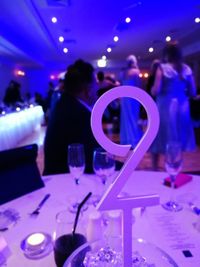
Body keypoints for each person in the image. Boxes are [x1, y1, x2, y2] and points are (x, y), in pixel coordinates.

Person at [43, 59, 99, 175]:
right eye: (95, 83)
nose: (97, 88)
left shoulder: (65, 104)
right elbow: (92, 161)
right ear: (87, 89)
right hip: (65, 183)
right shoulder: (79, 114)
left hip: (58, 177)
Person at [150, 42, 197, 170]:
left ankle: (155, 167)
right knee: (177, 135)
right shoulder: (186, 69)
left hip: (165, 105)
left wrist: (152, 89)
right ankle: (174, 166)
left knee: (159, 134)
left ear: (166, 54)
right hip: (182, 106)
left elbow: (156, 90)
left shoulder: (162, 68)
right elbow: (193, 92)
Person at [120, 55, 143, 148]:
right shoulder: (136, 72)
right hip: (133, 98)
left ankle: (126, 140)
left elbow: (121, 85)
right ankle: (134, 140)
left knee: (126, 119)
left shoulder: (123, 72)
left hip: (125, 98)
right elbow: (138, 85)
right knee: (134, 118)